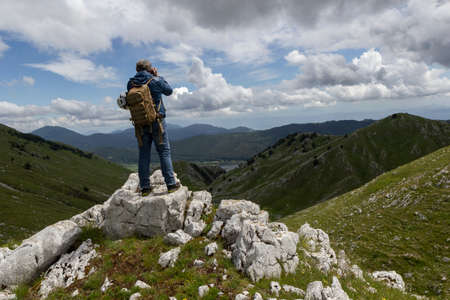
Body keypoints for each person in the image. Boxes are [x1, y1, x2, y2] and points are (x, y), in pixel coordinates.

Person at [127, 59, 180, 196]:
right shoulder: (155, 80)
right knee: (164, 152)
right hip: (157, 122)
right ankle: (171, 185)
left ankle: (145, 188)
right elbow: (169, 91)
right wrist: (157, 76)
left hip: (140, 124)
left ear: (137, 70)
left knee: (144, 155)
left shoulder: (130, 83)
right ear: (150, 69)